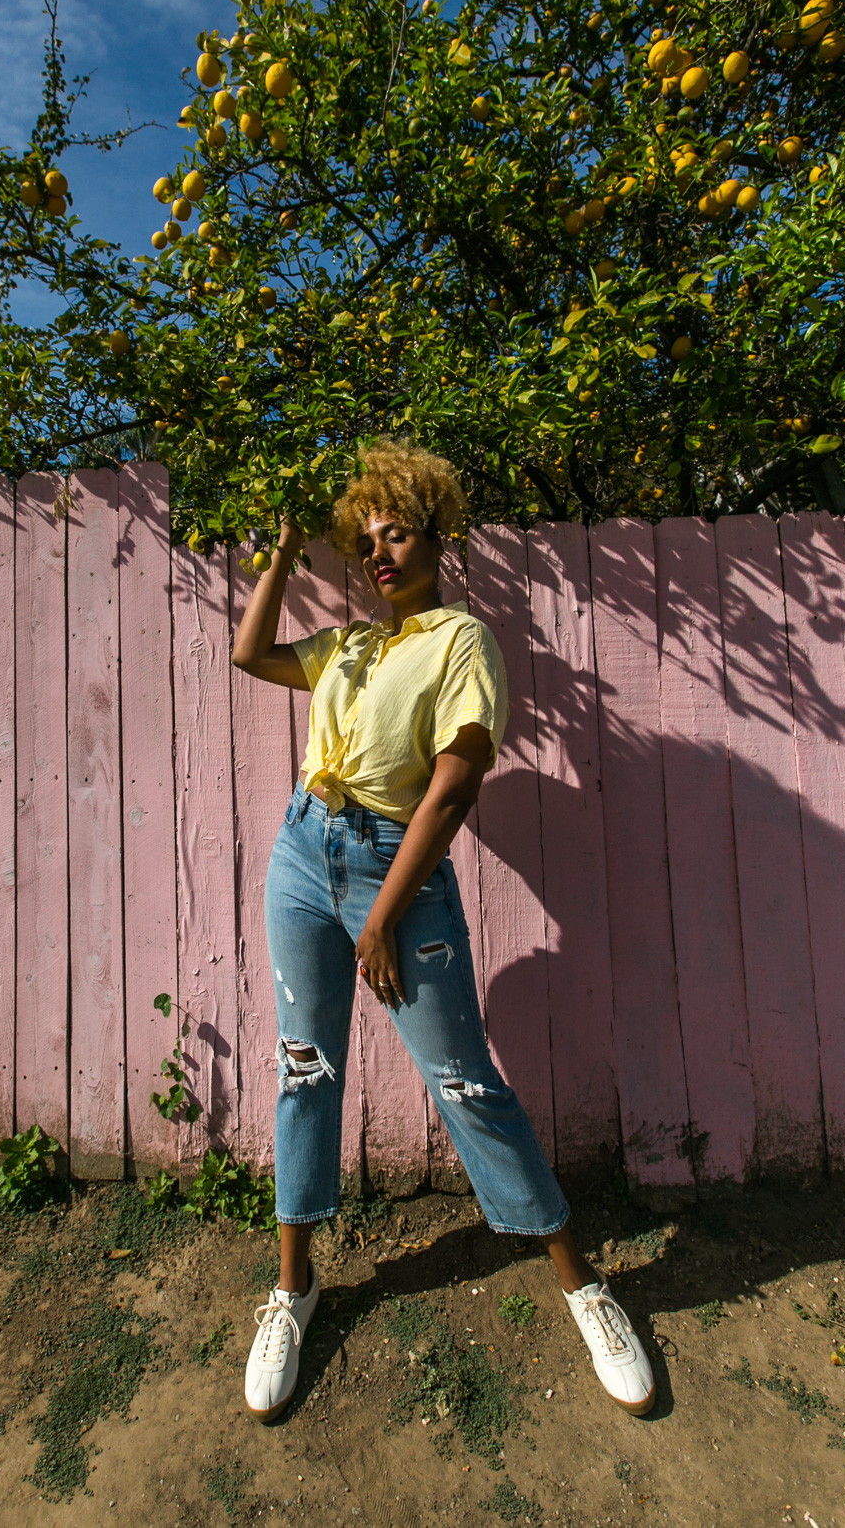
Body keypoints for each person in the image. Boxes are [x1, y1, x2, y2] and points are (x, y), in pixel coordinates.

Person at [231, 438, 654, 1423]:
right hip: (301, 854)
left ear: (436, 537)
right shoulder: (349, 645)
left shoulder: (462, 640)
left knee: (466, 1080)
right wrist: (284, 552)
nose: (380, 554)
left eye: (398, 533)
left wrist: (379, 920)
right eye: (364, 542)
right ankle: (294, 1290)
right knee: (305, 1067)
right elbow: (252, 654)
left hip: (396, 877)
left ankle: (583, 1287)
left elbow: (456, 783)